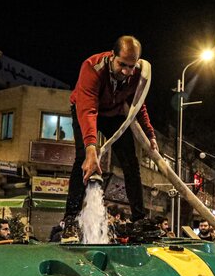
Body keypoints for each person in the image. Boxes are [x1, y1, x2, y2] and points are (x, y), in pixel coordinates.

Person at [62, 35, 159, 242]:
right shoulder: (92, 67)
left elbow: (138, 104)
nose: (126, 71)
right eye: (122, 64)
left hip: (115, 115)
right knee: (82, 159)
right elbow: (87, 110)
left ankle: (139, 220)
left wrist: (150, 134)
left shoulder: (140, 73)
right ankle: (70, 221)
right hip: (85, 109)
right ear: (112, 55)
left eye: (131, 66)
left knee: (131, 163)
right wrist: (91, 148)